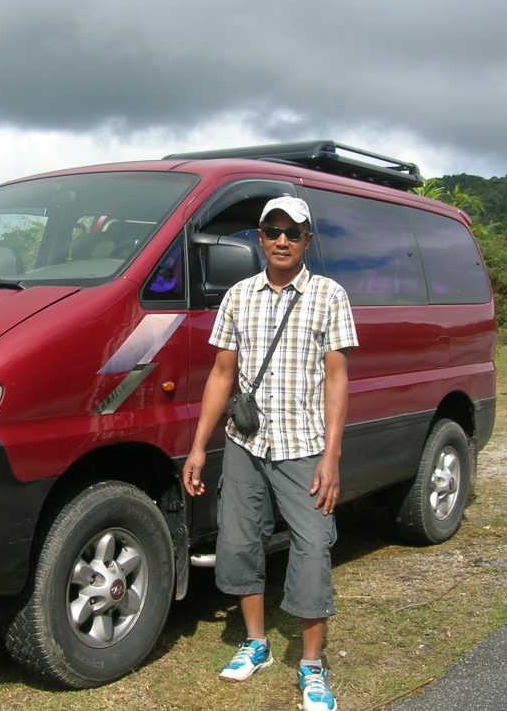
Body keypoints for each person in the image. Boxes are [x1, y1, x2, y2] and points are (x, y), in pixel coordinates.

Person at [182, 196, 357, 711]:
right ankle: (256, 643)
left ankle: (312, 665)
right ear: (259, 238)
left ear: (307, 240)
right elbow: (222, 374)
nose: (282, 240)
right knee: (239, 542)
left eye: (293, 232)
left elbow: (337, 380)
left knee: (312, 548)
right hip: (246, 443)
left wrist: (332, 456)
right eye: (273, 231)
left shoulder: (329, 295)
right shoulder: (238, 296)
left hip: (304, 446)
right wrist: (198, 448)